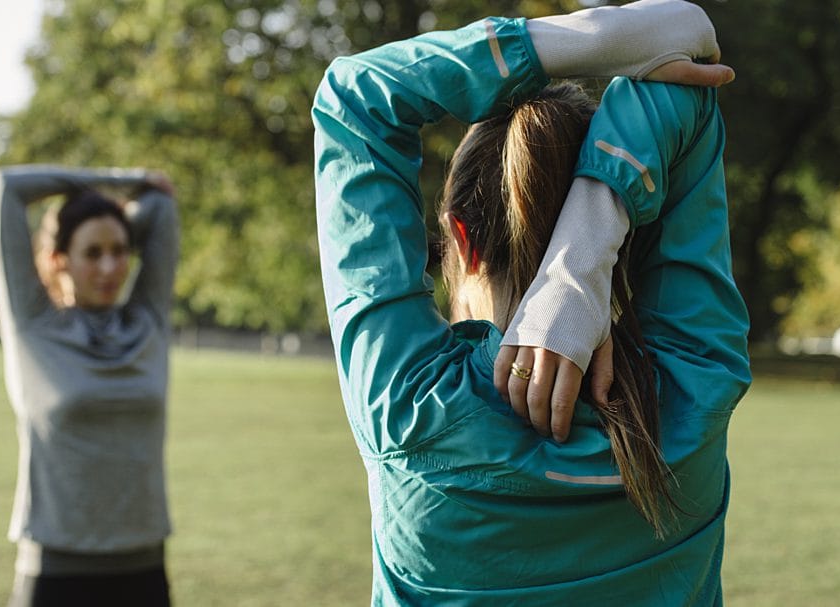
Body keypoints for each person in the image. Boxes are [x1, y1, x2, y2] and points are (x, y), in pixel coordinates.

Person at [312, 0, 750, 604]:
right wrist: (586, 247)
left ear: (458, 238)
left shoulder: (408, 402)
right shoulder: (691, 388)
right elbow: (690, 93)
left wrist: (599, 37)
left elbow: (357, 95)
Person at [0, 165, 179, 607]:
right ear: (59, 259)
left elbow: (161, 206)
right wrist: (121, 180)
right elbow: (7, 189)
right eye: (92, 253)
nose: (110, 267)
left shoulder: (147, 321)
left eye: (120, 249)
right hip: (55, 572)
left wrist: (129, 204)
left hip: (144, 569)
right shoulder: (32, 326)